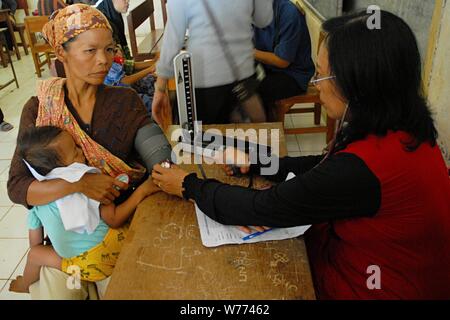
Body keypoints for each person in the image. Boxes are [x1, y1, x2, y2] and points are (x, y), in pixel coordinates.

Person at [151, 10, 450, 299]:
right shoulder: (400, 128)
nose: (316, 87)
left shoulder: (363, 170)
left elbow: (264, 206)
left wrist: (187, 185)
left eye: (321, 77)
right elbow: (321, 167)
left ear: (357, 84)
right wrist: (258, 161)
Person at [7, 4, 170, 299]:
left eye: (109, 50)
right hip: (66, 245)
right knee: (61, 296)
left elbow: (158, 154)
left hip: (114, 229)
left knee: (129, 291)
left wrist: (165, 163)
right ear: (61, 53)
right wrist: (79, 185)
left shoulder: (124, 101)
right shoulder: (40, 108)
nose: (103, 61)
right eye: (90, 51)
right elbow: (18, 187)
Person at [9, 126, 160, 293]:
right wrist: (142, 191)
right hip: (116, 249)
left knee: (35, 254)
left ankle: (24, 284)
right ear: (61, 169)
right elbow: (114, 219)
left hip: (84, 267)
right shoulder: (91, 181)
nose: (82, 151)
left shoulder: (35, 201)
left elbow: (35, 243)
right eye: (75, 152)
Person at [152, 0, 273, 128]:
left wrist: (160, 89)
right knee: (248, 143)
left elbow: (173, 38)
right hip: (242, 77)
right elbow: (263, 20)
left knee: (202, 143)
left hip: (204, 81)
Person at [254, 0, 315, 120]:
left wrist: (250, 53)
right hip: (270, 68)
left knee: (253, 92)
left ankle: (267, 130)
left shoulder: (289, 13)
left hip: (294, 75)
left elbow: (282, 61)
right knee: (240, 83)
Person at [95, 0, 157, 113]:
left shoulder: (113, 21)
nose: (128, 1)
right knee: (156, 100)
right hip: (117, 95)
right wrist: (150, 68)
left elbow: (123, 64)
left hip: (123, 85)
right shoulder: (102, 30)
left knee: (156, 82)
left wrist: (153, 62)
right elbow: (123, 81)